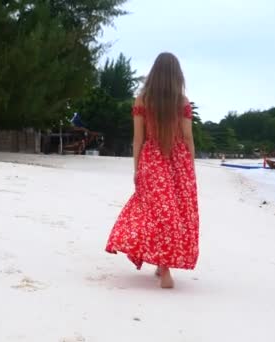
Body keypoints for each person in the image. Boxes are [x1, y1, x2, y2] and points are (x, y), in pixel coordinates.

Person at [105, 52, 199, 289]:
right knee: (173, 213)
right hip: (178, 161)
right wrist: (191, 168)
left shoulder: (142, 100)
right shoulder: (182, 102)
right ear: (177, 75)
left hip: (152, 159)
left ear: (154, 74)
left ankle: (162, 265)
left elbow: (138, 139)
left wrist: (137, 169)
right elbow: (187, 138)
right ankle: (164, 267)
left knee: (157, 212)